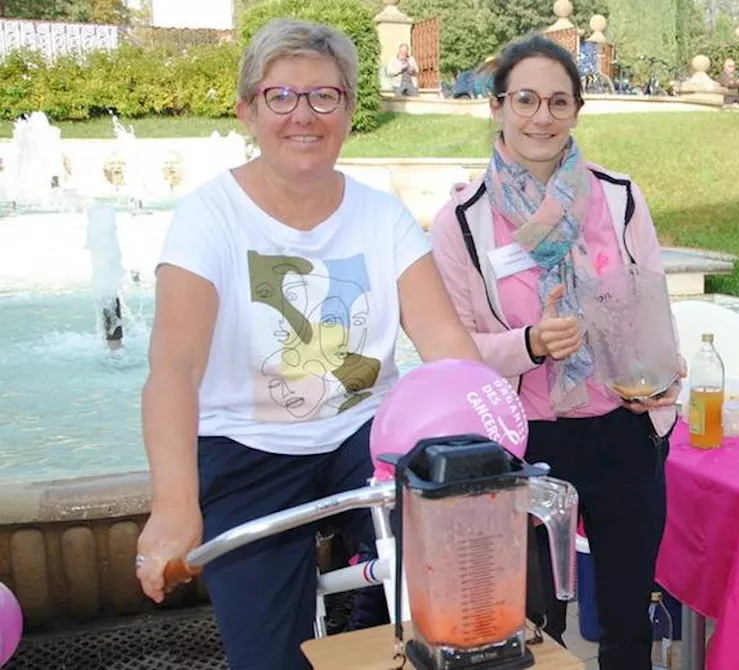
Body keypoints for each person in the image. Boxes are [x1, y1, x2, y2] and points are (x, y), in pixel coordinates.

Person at [133, 18, 481, 670]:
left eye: (325, 96)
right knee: (268, 658)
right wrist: (175, 505)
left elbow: (447, 345)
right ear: (247, 110)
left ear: (349, 110)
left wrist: (490, 443)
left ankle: (371, 623)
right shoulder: (209, 216)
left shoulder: (382, 216)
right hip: (243, 447)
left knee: (458, 580)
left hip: (366, 435)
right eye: (280, 97)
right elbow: (174, 366)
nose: (304, 115)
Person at [429, 35, 680, 670]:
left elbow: (651, 305)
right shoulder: (463, 221)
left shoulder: (619, 197)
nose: (542, 116)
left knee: (627, 620)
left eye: (559, 101)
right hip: (523, 444)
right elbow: (450, 357)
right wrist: (529, 344)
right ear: (498, 107)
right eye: (526, 99)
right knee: (533, 625)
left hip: (623, 431)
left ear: (577, 110)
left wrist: (657, 373)